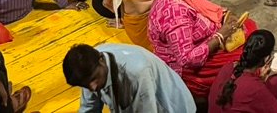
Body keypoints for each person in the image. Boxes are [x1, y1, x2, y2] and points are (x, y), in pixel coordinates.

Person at [147, 0, 258, 100]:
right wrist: (220, 36)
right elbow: (187, 59)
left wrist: (226, 17)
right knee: (250, 51)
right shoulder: (175, 15)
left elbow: (207, 8)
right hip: (188, 69)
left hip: (207, 39)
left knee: (249, 27)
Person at [63, 41, 197, 113]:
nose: (92, 87)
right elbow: (89, 109)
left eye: (93, 79)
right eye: (85, 85)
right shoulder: (88, 69)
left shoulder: (136, 72)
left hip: (171, 107)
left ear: (101, 60)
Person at [208, 29, 277, 113]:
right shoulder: (254, 88)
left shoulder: (228, 67)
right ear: (267, 58)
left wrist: (260, 80)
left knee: (275, 81)